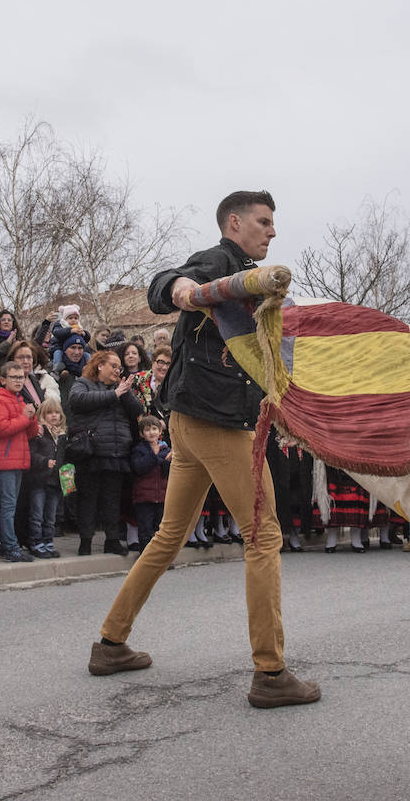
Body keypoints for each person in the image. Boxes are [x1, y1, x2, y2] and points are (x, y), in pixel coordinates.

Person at [89, 190, 320, 709]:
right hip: (216, 424)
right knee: (263, 535)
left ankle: (111, 642)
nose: (272, 231)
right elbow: (164, 284)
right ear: (235, 223)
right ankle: (271, 673)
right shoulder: (221, 260)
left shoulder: (252, 278)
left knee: (170, 535)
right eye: (263, 222)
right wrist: (185, 289)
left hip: (189, 421)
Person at [66, 349, 142, 555]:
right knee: (88, 498)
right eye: (113, 366)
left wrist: (123, 391)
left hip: (117, 451)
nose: (117, 370)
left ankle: (112, 539)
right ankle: (86, 541)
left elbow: (137, 411)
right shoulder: (84, 383)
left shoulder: (121, 387)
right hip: (92, 451)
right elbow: (77, 401)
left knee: (112, 499)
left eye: (119, 367)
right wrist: (113, 394)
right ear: (100, 366)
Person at [0, 360, 40, 563]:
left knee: (12, 504)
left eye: (21, 377)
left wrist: (31, 417)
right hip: (6, 459)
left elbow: (31, 433)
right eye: (14, 377)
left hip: (18, 458)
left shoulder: (18, 399)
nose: (19, 381)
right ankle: (9, 546)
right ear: (3, 380)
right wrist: (25, 418)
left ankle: (9, 545)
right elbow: (1, 428)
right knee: (9, 505)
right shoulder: (0, 400)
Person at [28, 396, 67, 559]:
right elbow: (31, 454)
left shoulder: (63, 435)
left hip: (56, 481)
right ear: (43, 414)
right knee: (37, 513)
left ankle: (48, 541)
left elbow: (65, 457)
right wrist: (44, 462)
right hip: (40, 479)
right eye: (50, 412)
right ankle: (36, 542)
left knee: (51, 516)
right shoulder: (39, 433)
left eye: (57, 412)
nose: (54, 416)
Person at [128, 414, 171, 551]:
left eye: (154, 428)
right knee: (145, 530)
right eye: (147, 430)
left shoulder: (166, 449)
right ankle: (146, 558)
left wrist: (168, 462)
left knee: (161, 530)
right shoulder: (139, 450)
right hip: (144, 498)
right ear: (141, 433)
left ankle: (160, 559)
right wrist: (156, 457)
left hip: (162, 497)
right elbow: (139, 467)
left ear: (160, 431)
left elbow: (168, 473)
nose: (151, 432)